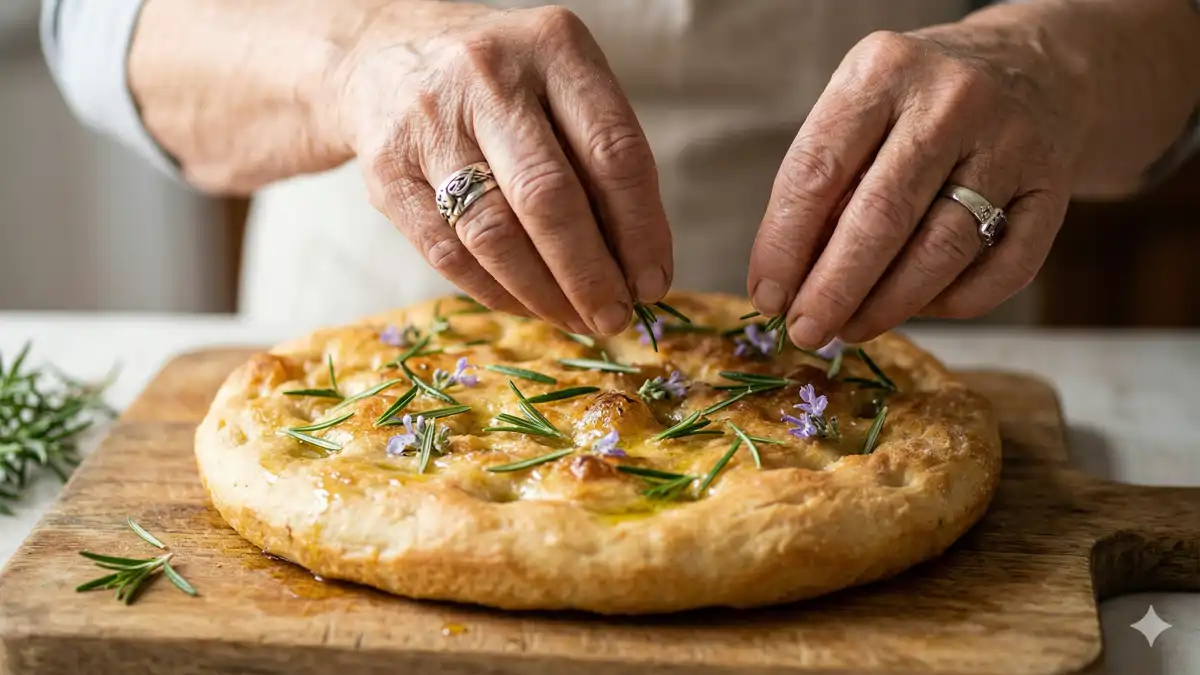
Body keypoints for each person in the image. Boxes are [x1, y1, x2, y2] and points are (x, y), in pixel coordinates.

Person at [40, 0, 1200, 347]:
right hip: (378, 330)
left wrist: (1052, 59)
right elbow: (88, 22)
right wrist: (348, 62)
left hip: (921, 320)